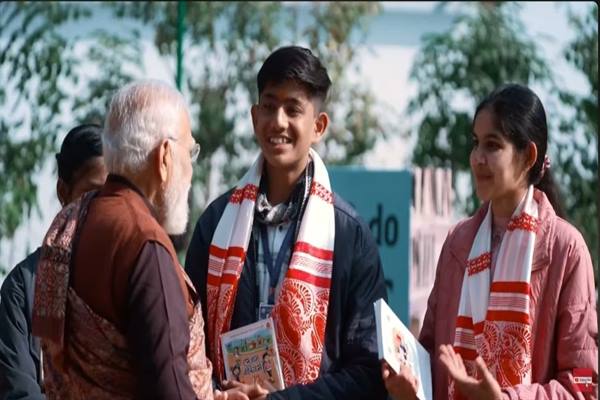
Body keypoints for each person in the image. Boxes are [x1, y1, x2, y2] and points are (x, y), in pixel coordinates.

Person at [185, 45, 388, 399]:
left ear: (319, 126)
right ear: (254, 117)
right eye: (269, 106)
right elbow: (188, 346)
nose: (278, 121)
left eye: (293, 109)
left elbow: (369, 372)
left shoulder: (348, 235)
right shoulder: (216, 224)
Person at [382, 83, 598, 399]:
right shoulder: (458, 243)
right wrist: (411, 385)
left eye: (492, 145)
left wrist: (506, 398)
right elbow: (430, 354)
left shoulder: (566, 250)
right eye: (476, 143)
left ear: (528, 156)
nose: (477, 158)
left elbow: (585, 382)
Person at [31, 80, 234, 399]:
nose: (190, 170)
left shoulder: (71, 224)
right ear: (165, 157)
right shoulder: (144, 242)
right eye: (189, 152)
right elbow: (170, 390)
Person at [0, 124, 107, 399]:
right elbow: (20, 392)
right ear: (63, 192)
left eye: (111, 195)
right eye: (91, 192)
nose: (103, 207)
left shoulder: (131, 277)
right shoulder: (23, 289)